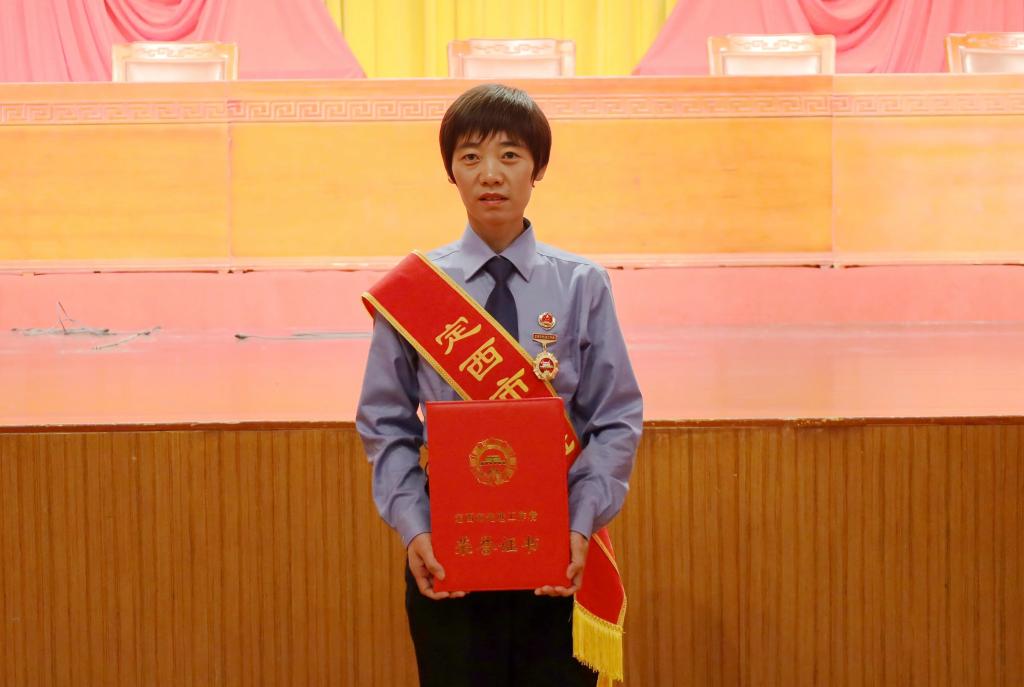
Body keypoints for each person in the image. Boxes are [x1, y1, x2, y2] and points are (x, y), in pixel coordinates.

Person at [356, 83, 643, 687]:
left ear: (537, 168)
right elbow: (384, 424)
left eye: (510, 155)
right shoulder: (416, 292)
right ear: (451, 171)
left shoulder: (582, 285)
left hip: (558, 555)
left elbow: (615, 417)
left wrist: (580, 522)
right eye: (471, 156)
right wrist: (416, 526)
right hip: (450, 557)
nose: (491, 173)